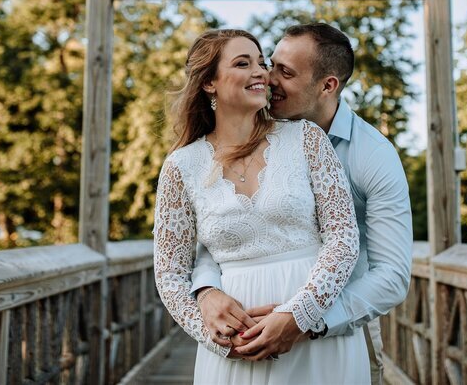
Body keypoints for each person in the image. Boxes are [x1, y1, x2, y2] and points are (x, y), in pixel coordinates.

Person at [191, 23, 413, 385]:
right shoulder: (244, 134)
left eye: (286, 72)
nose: (268, 78)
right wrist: (204, 290)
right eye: (271, 64)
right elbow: (220, 230)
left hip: (336, 333)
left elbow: (391, 277)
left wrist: (305, 320)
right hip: (246, 332)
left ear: (328, 86)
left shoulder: (373, 156)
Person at [153, 28, 369, 384]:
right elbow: (170, 273)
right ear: (209, 82)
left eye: (261, 62)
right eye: (243, 63)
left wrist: (299, 316)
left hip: (313, 333)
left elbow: (343, 238)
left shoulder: (306, 139)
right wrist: (216, 338)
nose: (261, 73)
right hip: (238, 345)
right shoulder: (181, 166)